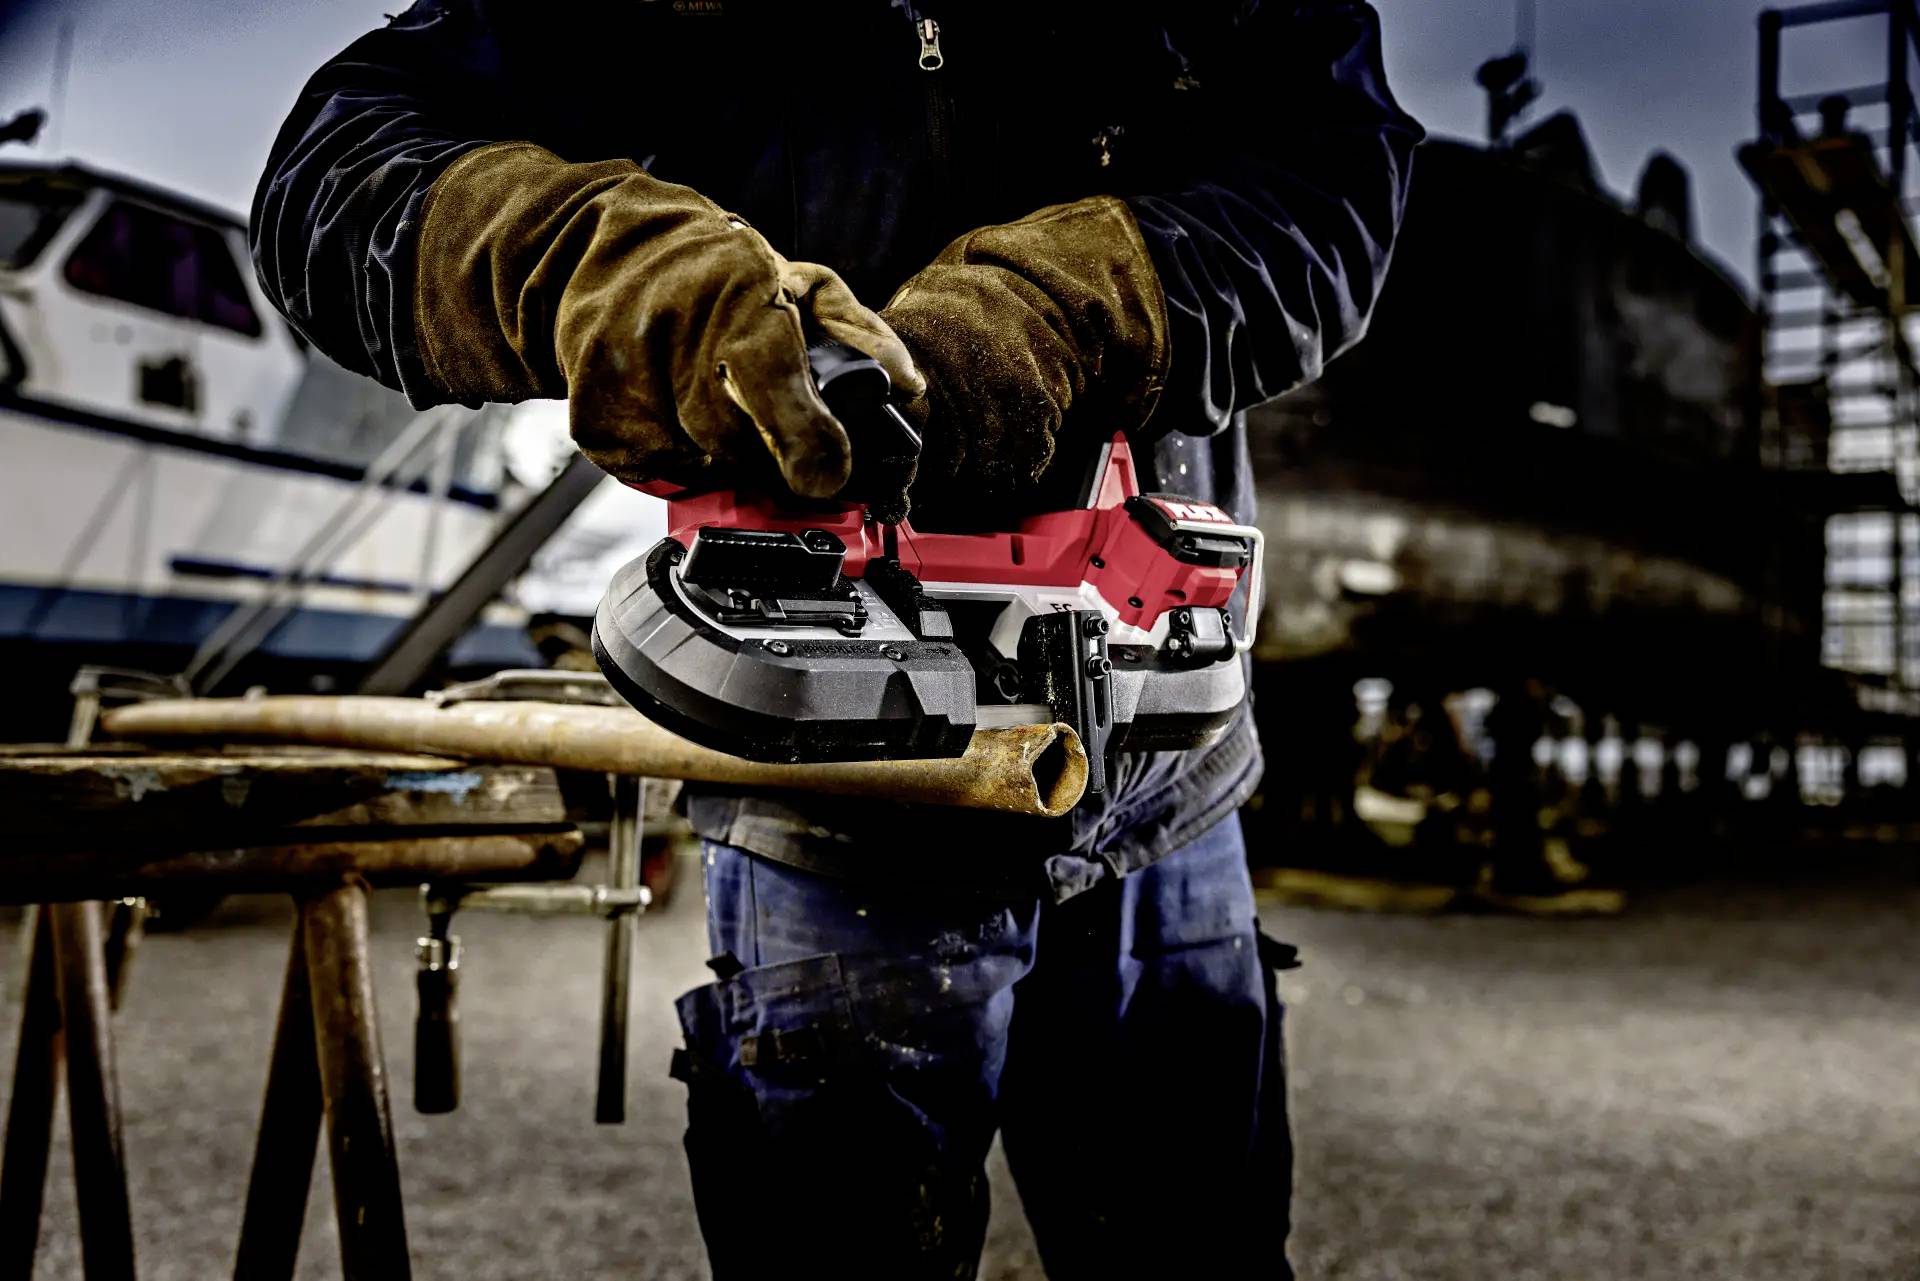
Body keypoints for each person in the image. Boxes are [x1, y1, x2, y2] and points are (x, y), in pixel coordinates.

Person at [253, 5, 1421, 1276]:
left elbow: (1333, 172)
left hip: (1160, 766)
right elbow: (333, 169)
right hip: (831, 782)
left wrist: (1074, 304)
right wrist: (579, 256)